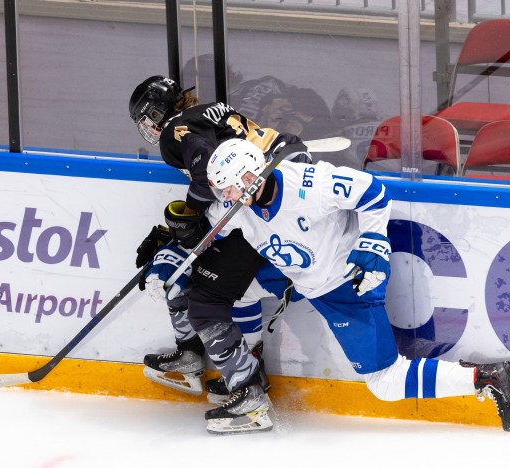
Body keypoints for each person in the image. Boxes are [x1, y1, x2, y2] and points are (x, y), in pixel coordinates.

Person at [201, 137, 510, 434]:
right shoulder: (238, 207)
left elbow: (373, 192)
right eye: (222, 190)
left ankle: (487, 377)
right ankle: (249, 370)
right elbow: (209, 221)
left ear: (250, 177)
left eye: (229, 188)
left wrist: (374, 241)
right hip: (300, 276)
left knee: (384, 383)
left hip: (347, 283)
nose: (227, 197)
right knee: (229, 295)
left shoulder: (309, 185)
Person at [128, 75, 310, 410]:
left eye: (148, 119)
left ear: (157, 113)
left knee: (195, 284)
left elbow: (206, 174)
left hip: (261, 203)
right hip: (283, 190)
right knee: (233, 289)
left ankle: (242, 383)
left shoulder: (175, 131)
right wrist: (182, 225)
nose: (151, 129)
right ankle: (238, 367)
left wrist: (189, 218)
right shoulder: (208, 112)